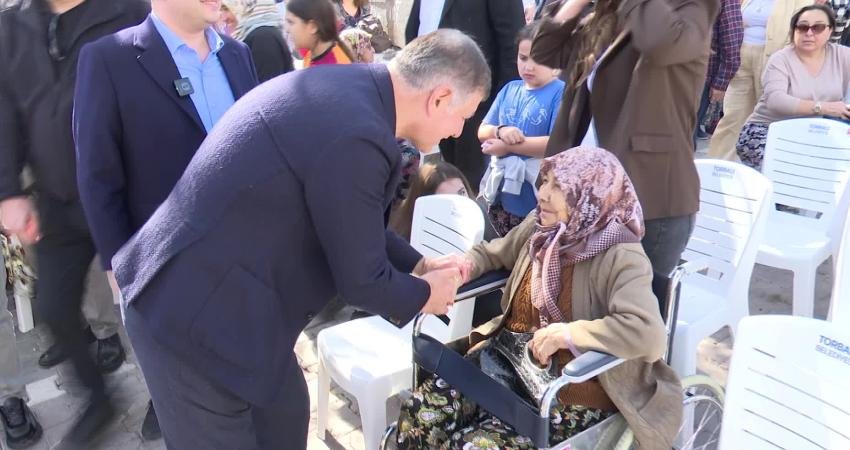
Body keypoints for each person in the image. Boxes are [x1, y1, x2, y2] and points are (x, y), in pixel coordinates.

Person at [112, 29, 489, 449]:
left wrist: (417, 265)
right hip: (187, 317)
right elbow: (361, 281)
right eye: (464, 115)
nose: (459, 131)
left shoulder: (354, 94)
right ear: (438, 98)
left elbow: (352, 224)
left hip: (238, 303)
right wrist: (425, 296)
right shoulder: (359, 134)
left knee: (287, 416)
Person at [396, 147, 681, 450]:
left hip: (571, 394)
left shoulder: (621, 255)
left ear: (589, 193)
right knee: (418, 417)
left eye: (558, 186)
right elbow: (493, 253)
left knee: (470, 446)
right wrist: (460, 269)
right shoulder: (541, 227)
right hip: (507, 363)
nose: (542, 193)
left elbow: (649, 334)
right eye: (544, 181)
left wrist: (570, 334)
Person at [72, 0, 259, 443]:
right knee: (194, 428)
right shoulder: (108, 59)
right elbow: (97, 176)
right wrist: (121, 269)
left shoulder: (238, 55)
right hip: (168, 287)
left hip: (250, 279)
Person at [0, 0, 149, 446]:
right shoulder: (15, 26)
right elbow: (5, 111)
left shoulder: (127, 11)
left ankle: (169, 396)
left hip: (126, 197)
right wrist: (8, 191)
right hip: (57, 199)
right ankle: (99, 399)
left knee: (146, 309)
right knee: (52, 307)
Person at [530, 0, 718, 277]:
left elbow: (658, 43)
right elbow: (546, 51)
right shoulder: (613, 15)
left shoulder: (691, 9)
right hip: (583, 195)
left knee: (628, 315)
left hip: (649, 201)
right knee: (578, 307)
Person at [406, 0, 525, 188]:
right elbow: (418, 25)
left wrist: (504, 107)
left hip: (476, 104)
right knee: (443, 177)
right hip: (427, 93)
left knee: (470, 181)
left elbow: (512, 40)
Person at [736, 4, 850, 170]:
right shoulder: (780, 59)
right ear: (793, 30)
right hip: (768, 129)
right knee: (796, 167)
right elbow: (776, 100)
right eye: (802, 27)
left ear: (830, 30)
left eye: (817, 27)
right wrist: (823, 107)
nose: (809, 33)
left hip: (819, 131)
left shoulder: (842, 55)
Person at [478, 21, 564, 237]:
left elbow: (553, 144)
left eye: (538, 59)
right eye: (523, 58)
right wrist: (500, 130)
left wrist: (507, 147)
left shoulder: (560, 92)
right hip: (501, 195)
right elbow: (483, 130)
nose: (528, 67)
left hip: (537, 198)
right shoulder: (510, 89)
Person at [707, 0, 813, 161]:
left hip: (774, 61)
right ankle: (718, 166)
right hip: (742, 58)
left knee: (769, 119)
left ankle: (770, 169)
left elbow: (804, 34)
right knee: (732, 116)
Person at [695, 0, 744, 141]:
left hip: (700, 75)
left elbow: (732, 39)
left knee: (683, 136)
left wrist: (721, 82)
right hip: (667, 74)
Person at [390, 162, 475, 241]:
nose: (459, 205)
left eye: (461, 193)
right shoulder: (405, 245)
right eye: (447, 201)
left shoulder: (480, 221)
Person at [221, 0, 295, 81]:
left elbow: (266, 90)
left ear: (247, 7)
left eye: (227, 9)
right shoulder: (256, 34)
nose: (223, 17)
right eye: (221, 9)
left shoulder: (263, 39)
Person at [286, 0, 353, 66]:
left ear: (313, 27)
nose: (287, 29)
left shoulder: (338, 65)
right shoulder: (309, 57)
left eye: (291, 22)